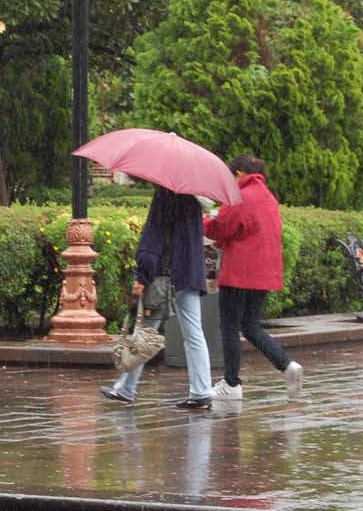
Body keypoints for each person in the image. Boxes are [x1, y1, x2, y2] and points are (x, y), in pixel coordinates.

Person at [101, 185, 213, 410]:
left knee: (144, 332)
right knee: (193, 333)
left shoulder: (166, 193)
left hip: (164, 274)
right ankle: (201, 391)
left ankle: (125, 389)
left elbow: (154, 237)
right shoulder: (194, 198)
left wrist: (142, 275)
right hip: (189, 272)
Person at [202, 156, 304, 402]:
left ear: (238, 174)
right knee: (250, 326)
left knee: (229, 327)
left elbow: (221, 227)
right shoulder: (268, 198)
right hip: (263, 275)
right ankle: (287, 365)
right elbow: (246, 232)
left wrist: (202, 219)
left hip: (239, 273)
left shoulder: (240, 196)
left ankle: (231, 384)